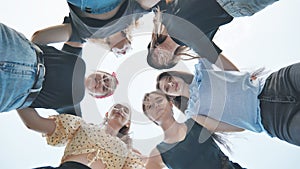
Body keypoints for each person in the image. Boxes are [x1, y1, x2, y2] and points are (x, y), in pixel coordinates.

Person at [156, 58, 300, 146]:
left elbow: (233, 70)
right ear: (171, 97)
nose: (170, 84)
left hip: (277, 83)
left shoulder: (203, 68)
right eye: (166, 88)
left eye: (169, 79)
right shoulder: (193, 114)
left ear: (176, 75)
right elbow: (237, 127)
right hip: (275, 122)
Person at [0, 23, 118, 114]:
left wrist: (19, 100)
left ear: (96, 96)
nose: (101, 82)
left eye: (104, 88)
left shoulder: (72, 107)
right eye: (105, 78)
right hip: (16, 50)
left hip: (11, 91)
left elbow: (79, 135)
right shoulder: (77, 61)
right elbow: (80, 32)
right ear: (99, 71)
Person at [17, 104, 145, 169]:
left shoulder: (129, 152)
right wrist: (16, 95)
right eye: (116, 107)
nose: (120, 110)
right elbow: (34, 123)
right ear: (107, 114)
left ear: (128, 123)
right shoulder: (81, 126)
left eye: (125, 111)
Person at [142, 90, 244, 169]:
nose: (156, 105)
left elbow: (238, 126)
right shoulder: (157, 154)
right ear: (150, 118)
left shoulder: (196, 121)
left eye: (159, 100)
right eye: (150, 106)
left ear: (170, 103)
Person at [31, 0, 149, 58]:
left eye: (119, 54)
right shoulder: (133, 17)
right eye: (128, 50)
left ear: (110, 50)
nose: (124, 52)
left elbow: (38, 38)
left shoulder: (85, 35)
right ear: (130, 40)